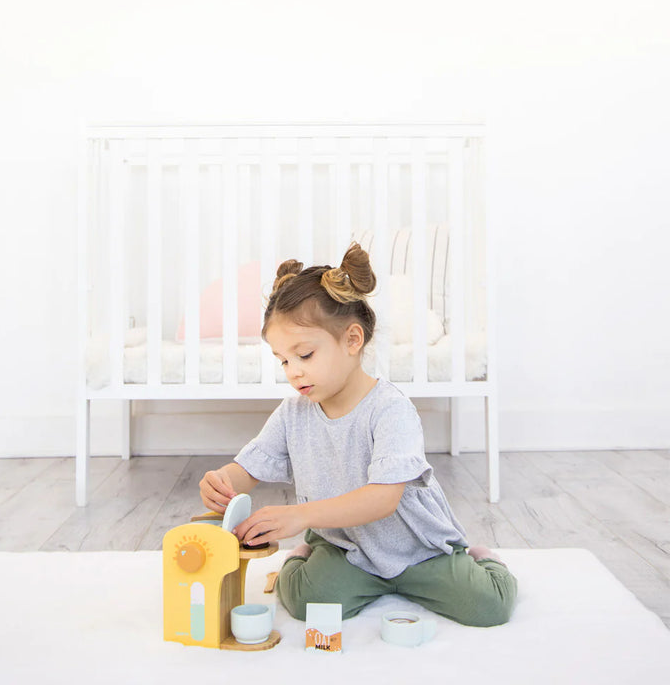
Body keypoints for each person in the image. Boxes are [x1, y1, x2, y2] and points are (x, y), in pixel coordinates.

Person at [199, 242, 517, 627]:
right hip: (346, 547)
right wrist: (222, 482)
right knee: (306, 602)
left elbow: (383, 498)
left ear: (352, 340)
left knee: (488, 607)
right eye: (283, 360)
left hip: (417, 550)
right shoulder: (293, 413)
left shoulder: (390, 410)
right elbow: (248, 468)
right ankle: (305, 554)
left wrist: (299, 515)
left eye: (305, 355)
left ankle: (483, 561)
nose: (293, 371)